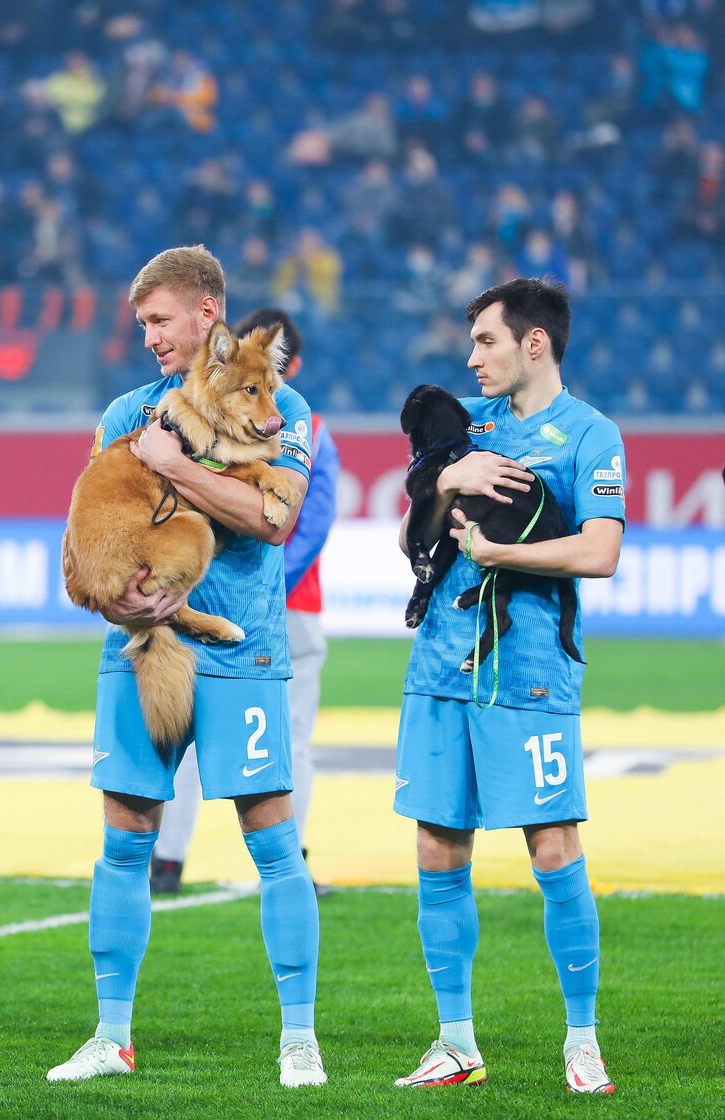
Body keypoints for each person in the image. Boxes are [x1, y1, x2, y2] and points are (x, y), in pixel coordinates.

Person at [47, 246, 326, 1088]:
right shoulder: (123, 411)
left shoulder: (285, 408)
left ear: (208, 316)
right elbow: (82, 538)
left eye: (159, 321)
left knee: (274, 843)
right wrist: (113, 602)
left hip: (244, 646)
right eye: (142, 324)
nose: (149, 338)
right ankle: (112, 1035)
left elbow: (274, 520)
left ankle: (300, 1039)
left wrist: (176, 468)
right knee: (124, 841)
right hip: (136, 649)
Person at [392, 278, 625, 1095]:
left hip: (530, 676)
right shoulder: (463, 425)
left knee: (553, 850)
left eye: (486, 341)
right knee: (435, 847)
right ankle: (455, 1043)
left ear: (535, 344)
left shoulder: (592, 436)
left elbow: (600, 552)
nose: (471, 357)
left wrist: (503, 555)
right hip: (440, 671)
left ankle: (583, 1040)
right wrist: (444, 487)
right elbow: (412, 539)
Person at [150, 307, 341, 896]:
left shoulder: (300, 426)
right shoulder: (229, 420)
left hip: (278, 606)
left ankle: (278, 858)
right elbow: (316, 521)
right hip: (251, 600)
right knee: (280, 740)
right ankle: (173, 858)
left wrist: (263, 585)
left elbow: (303, 522)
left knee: (270, 744)